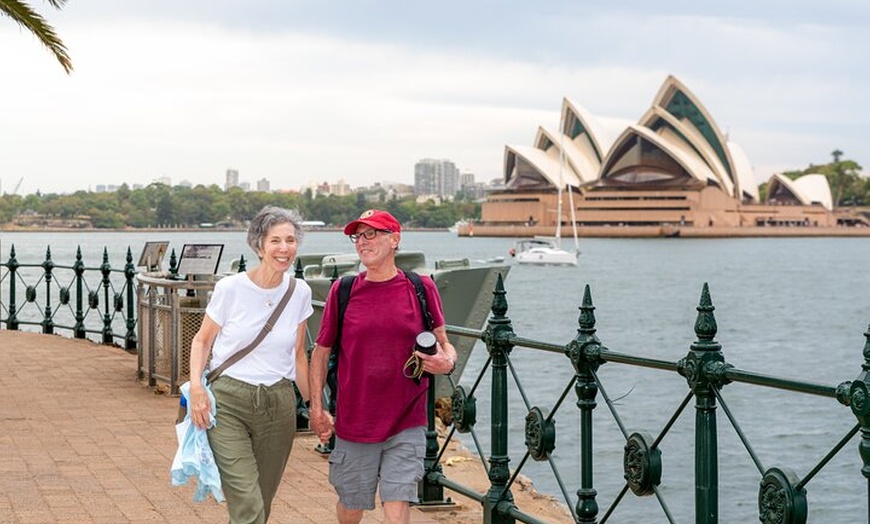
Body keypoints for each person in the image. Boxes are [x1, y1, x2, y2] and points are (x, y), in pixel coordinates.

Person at [308, 209, 458, 524]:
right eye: (358, 236)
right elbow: (321, 353)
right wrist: (317, 408)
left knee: (397, 502)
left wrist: (447, 361)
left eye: (371, 234)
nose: (362, 242)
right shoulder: (343, 290)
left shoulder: (421, 287)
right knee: (352, 507)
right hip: (356, 421)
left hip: (407, 419)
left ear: (394, 240)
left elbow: (444, 342)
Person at [188, 206, 313, 524]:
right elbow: (202, 341)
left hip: (279, 404)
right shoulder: (230, 288)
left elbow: (299, 355)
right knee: (248, 500)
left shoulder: (299, 292)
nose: (284, 248)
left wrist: (315, 406)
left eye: (290, 240)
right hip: (229, 403)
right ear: (259, 246)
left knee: (261, 503)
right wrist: (197, 388)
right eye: (275, 240)